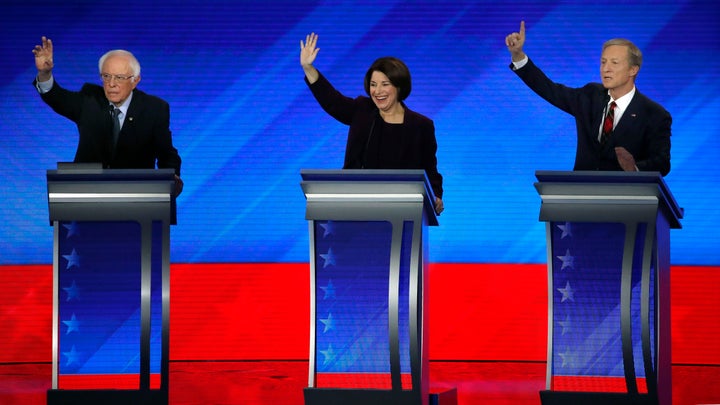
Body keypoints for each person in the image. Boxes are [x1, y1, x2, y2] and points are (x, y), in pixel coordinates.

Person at [300, 32, 444, 213]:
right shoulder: (362, 110)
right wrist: (308, 68)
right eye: (373, 84)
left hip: (403, 211)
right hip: (355, 206)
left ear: (399, 86)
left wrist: (436, 196)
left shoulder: (421, 125)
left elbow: (430, 169)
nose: (377, 91)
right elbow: (332, 101)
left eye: (385, 84)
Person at [505, 21, 671, 176]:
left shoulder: (654, 114)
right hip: (581, 195)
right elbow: (550, 90)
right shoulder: (590, 96)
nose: (606, 69)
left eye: (614, 63)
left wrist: (634, 168)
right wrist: (518, 56)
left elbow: (662, 163)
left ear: (633, 70)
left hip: (623, 198)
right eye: (603, 62)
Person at [32, 36, 184, 195]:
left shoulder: (154, 108)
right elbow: (57, 97)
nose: (111, 83)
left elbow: (166, 153)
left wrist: (171, 179)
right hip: (85, 196)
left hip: (136, 199)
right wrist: (45, 74)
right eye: (106, 76)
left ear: (135, 80)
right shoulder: (90, 100)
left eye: (119, 77)